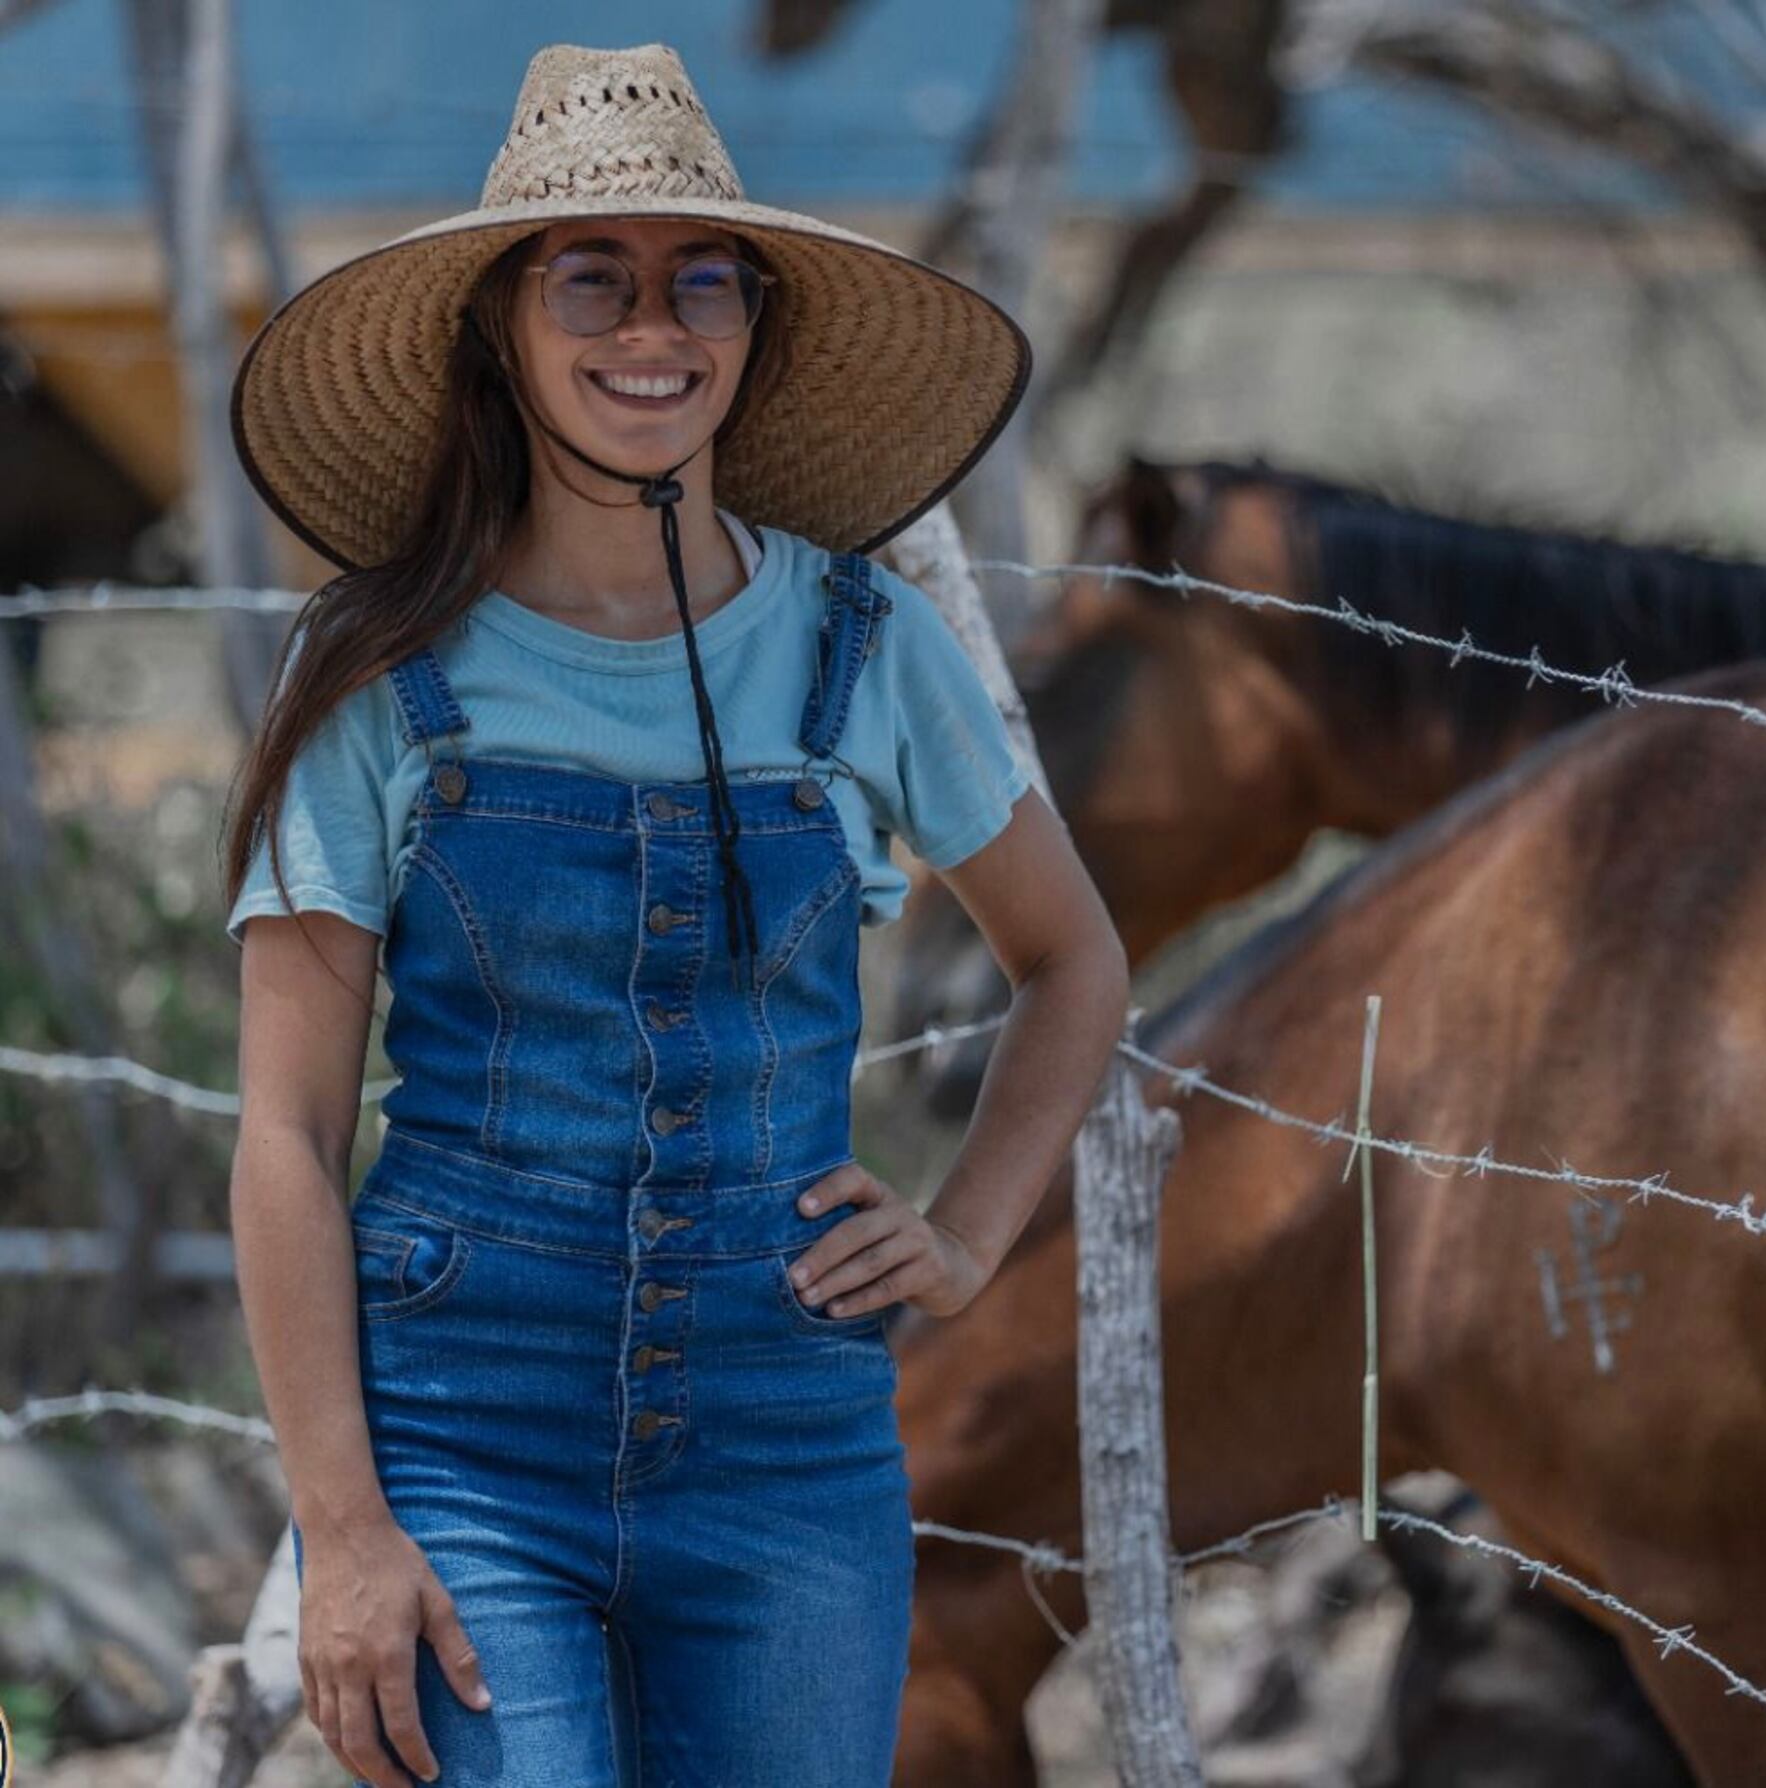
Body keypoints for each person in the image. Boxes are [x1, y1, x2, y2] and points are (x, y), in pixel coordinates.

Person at [217, 42, 1129, 1788]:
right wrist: (341, 1528)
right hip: (467, 1420)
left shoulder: (867, 646)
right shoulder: (376, 676)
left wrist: (965, 1233)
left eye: (700, 279)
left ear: (756, 329)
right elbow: (285, 1129)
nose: (656, 327)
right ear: (502, 327)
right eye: (594, 278)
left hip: (786, 1433)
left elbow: (1072, 960)